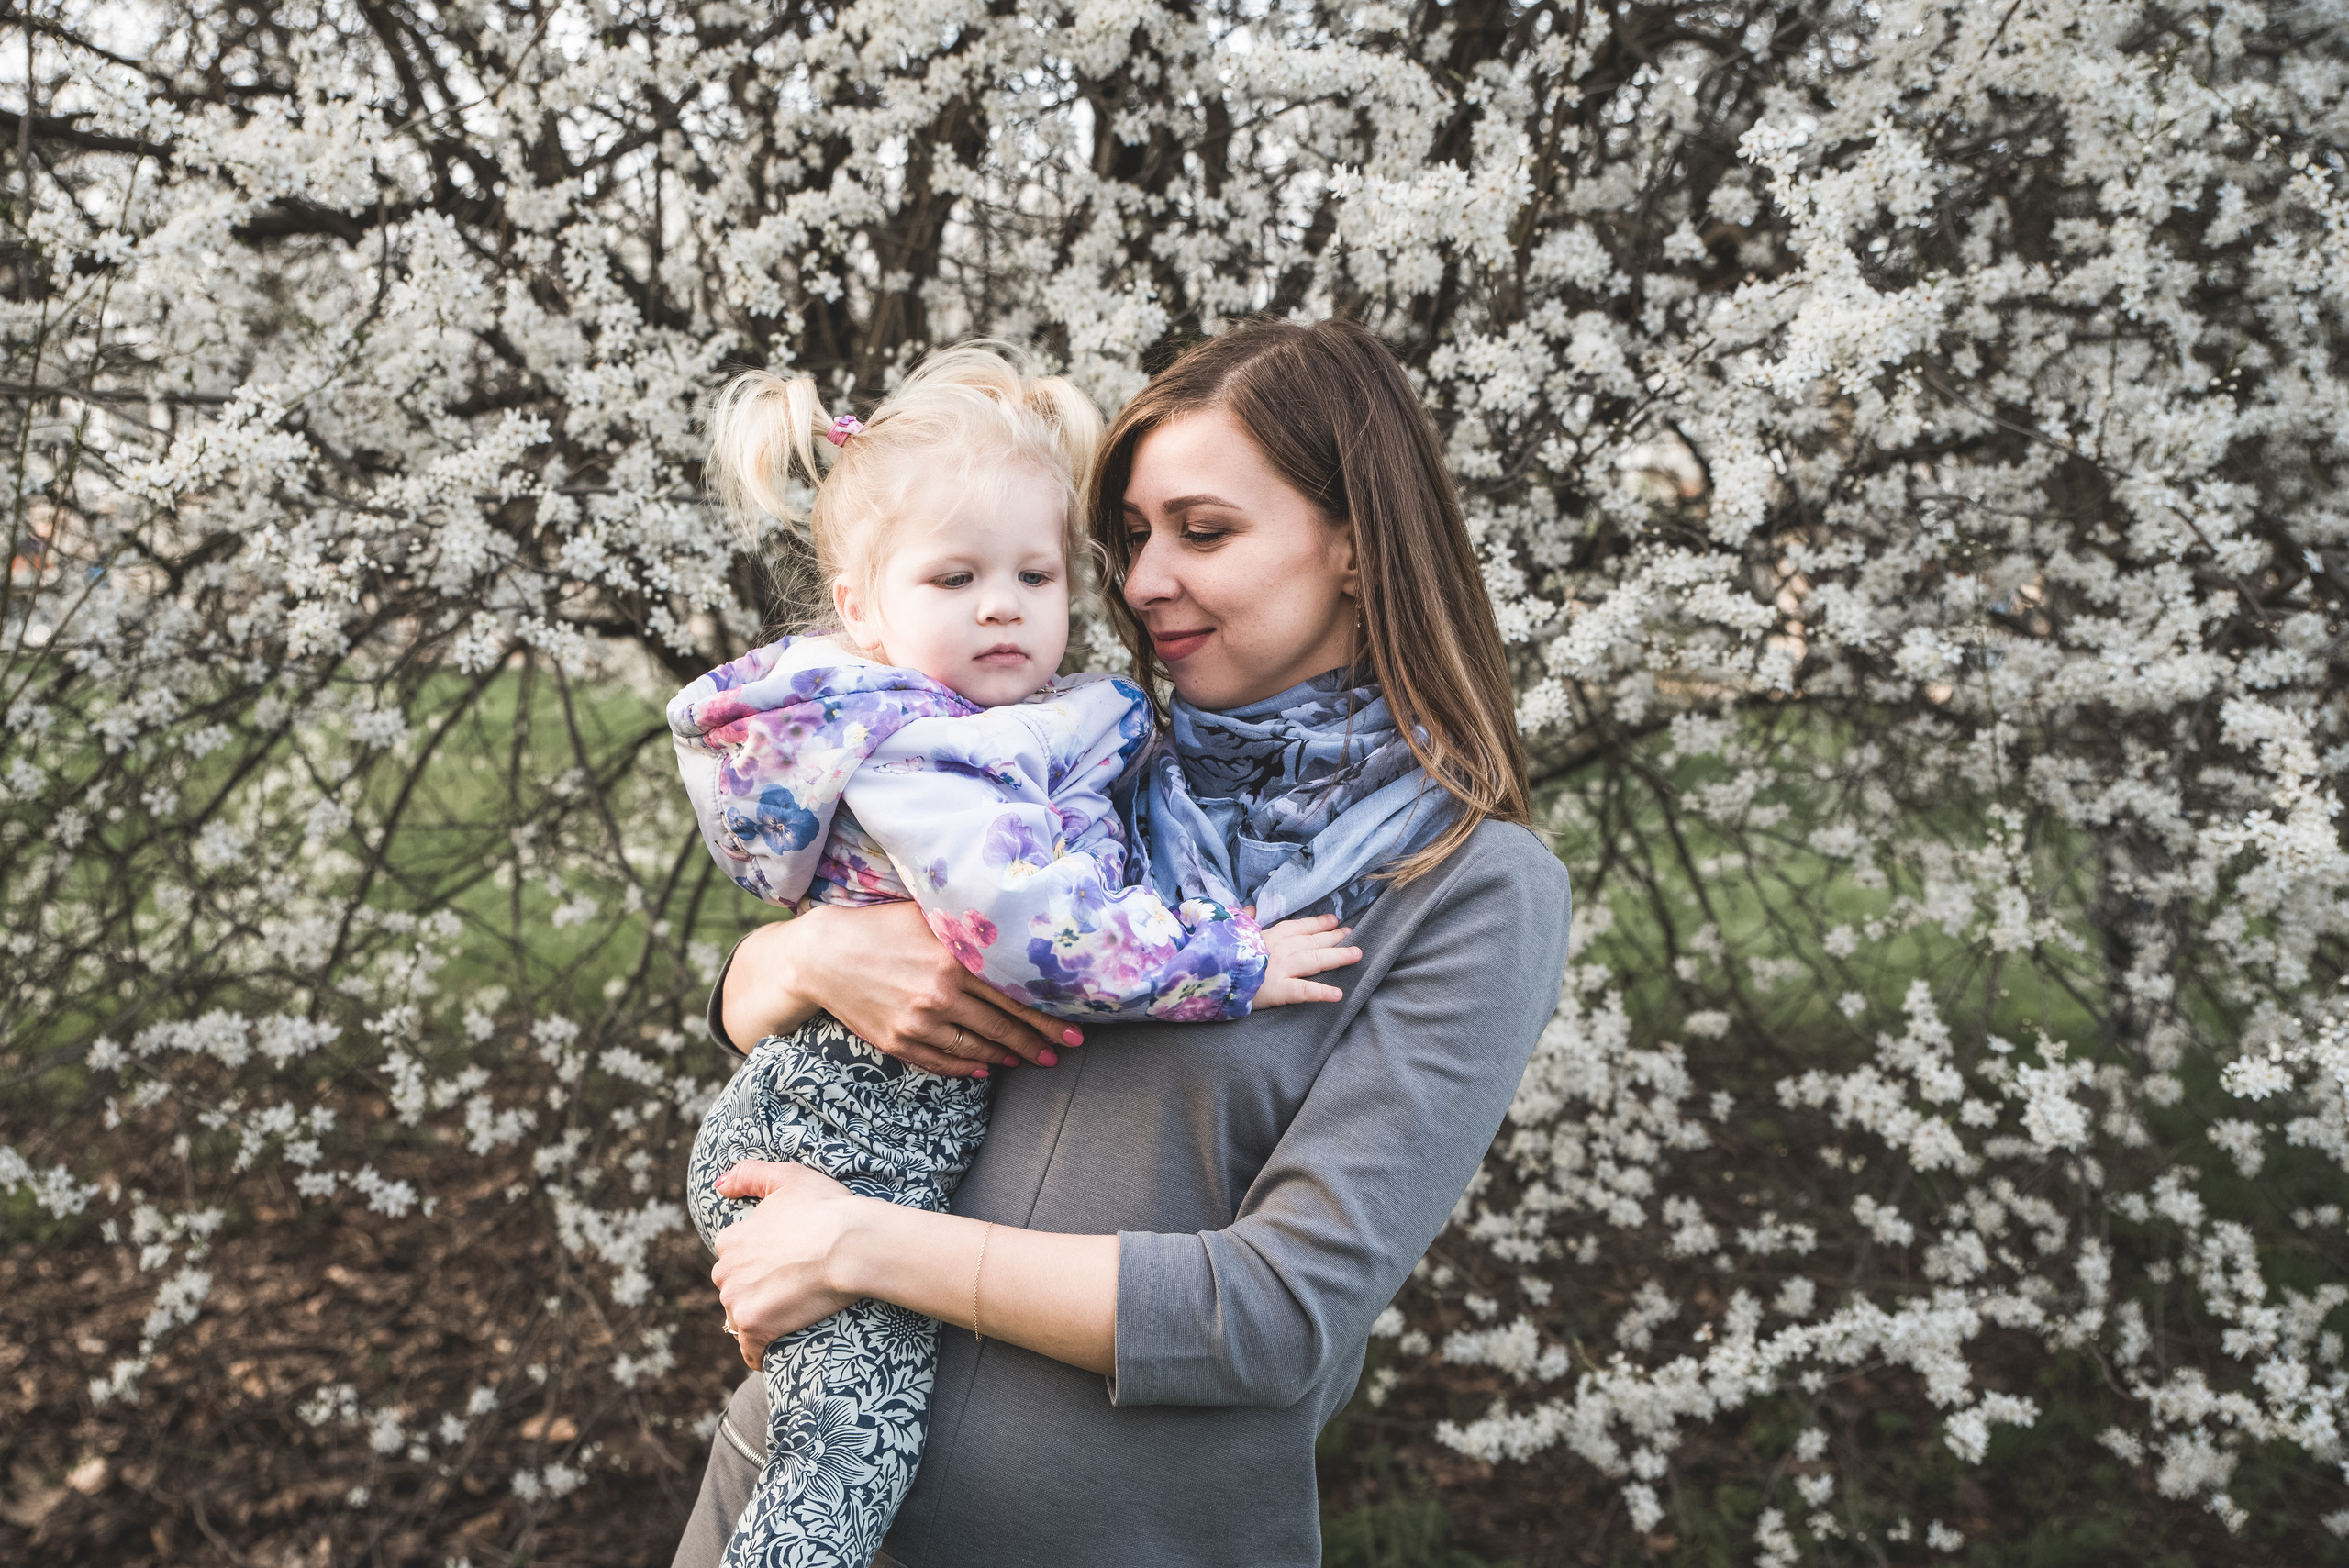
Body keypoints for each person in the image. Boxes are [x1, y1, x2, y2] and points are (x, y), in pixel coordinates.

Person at [673, 317, 1572, 1568]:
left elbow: (1271, 1314)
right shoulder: (1090, 761)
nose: (1142, 582)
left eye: (1203, 532)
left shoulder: (1467, 884)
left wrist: (863, 1244)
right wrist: (787, 965)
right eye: (1135, 537)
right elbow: (852, 976)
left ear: (1356, 544)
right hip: (802, 1504)